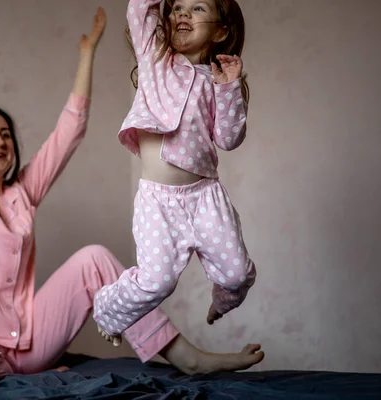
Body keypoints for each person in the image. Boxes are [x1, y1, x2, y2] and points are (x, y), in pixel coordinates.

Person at [0, 0, 263, 379]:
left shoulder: (21, 194)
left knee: (93, 258)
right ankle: (2, 375)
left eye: (5, 134)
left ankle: (188, 357)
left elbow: (68, 133)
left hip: (27, 346)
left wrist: (87, 54)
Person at [93, 0, 258, 341]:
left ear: (221, 31)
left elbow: (228, 139)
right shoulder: (156, 60)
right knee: (157, 282)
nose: (182, 14)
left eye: (197, 9)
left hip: (205, 198)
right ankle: (109, 310)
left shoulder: (217, 81)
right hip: (158, 201)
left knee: (237, 274)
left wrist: (229, 88)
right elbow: (140, 10)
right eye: (177, 7)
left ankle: (222, 303)